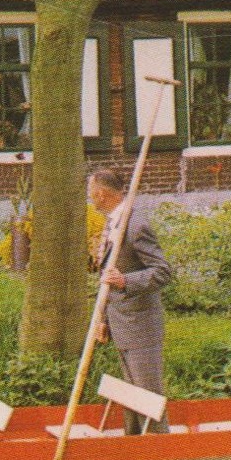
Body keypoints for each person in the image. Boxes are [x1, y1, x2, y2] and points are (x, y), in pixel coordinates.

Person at [87, 167, 172, 434]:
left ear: (100, 193)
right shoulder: (113, 222)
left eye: (91, 191)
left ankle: (162, 453)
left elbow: (162, 272)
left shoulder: (135, 225)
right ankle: (133, 447)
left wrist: (126, 281)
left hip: (141, 325)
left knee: (147, 395)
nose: (89, 196)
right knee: (130, 394)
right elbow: (107, 279)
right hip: (121, 323)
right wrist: (103, 319)